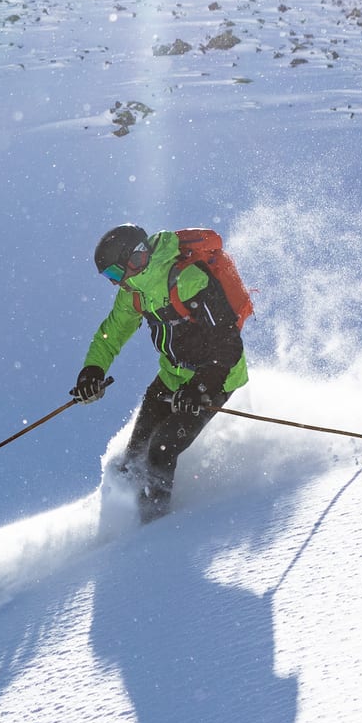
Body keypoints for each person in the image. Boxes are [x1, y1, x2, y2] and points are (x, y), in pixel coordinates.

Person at [69, 223, 249, 523]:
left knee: (160, 450)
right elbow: (111, 334)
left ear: (133, 259)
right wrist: (93, 370)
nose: (114, 283)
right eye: (109, 277)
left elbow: (227, 343)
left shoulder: (189, 279)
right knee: (134, 458)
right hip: (171, 378)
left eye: (114, 273)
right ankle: (125, 524)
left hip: (216, 378)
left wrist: (201, 387)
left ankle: (155, 530)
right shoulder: (134, 293)